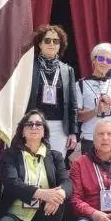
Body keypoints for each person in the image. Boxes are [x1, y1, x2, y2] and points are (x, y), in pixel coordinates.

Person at [27, 24, 78, 157]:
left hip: (59, 127)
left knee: (56, 164)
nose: (51, 44)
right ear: (40, 44)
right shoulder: (28, 67)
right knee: (33, 161)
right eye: (47, 40)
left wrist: (73, 132)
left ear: (60, 45)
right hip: (34, 124)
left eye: (56, 41)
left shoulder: (67, 70)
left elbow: (73, 104)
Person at [75, 43, 111, 155]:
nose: (104, 62)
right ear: (93, 60)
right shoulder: (80, 85)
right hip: (91, 138)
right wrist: (96, 110)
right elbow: (78, 116)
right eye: (101, 58)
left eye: (109, 61)